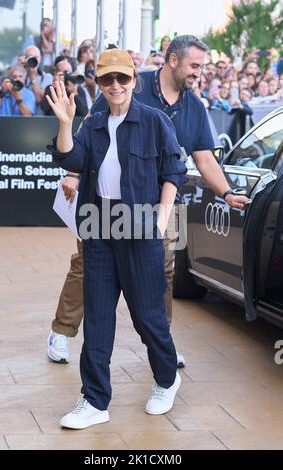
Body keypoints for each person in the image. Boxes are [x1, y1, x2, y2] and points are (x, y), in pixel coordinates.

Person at [47, 35, 251, 367]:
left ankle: (161, 344)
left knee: (163, 272)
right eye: (194, 65)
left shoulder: (194, 106)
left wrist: (226, 193)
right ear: (173, 61)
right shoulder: (125, 81)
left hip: (161, 203)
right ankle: (62, 330)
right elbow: (92, 136)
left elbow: (204, 160)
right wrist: (73, 173)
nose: (199, 73)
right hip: (106, 205)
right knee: (86, 266)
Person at [47, 48, 187, 429]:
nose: (114, 86)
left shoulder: (155, 121)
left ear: (133, 80)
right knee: (97, 316)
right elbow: (71, 160)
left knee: (148, 316)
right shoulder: (92, 122)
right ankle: (94, 399)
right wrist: (65, 123)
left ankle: (166, 378)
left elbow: (175, 170)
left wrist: (160, 219)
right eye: (107, 79)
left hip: (140, 226)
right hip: (99, 227)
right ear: (99, 83)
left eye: (121, 78)